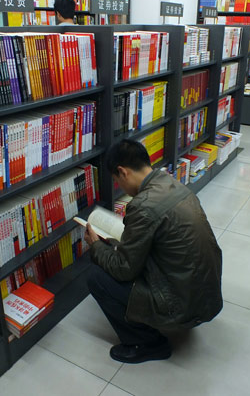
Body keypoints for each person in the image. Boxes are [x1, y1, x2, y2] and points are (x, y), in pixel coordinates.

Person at [84, 139, 223, 364]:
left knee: (97, 278)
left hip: (183, 307)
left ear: (122, 172)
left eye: (116, 180)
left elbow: (124, 270)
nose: (120, 186)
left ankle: (147, 344)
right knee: (117, 250)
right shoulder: (172, 183)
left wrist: (96, 245)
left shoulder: (143, 205)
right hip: (206, 296)